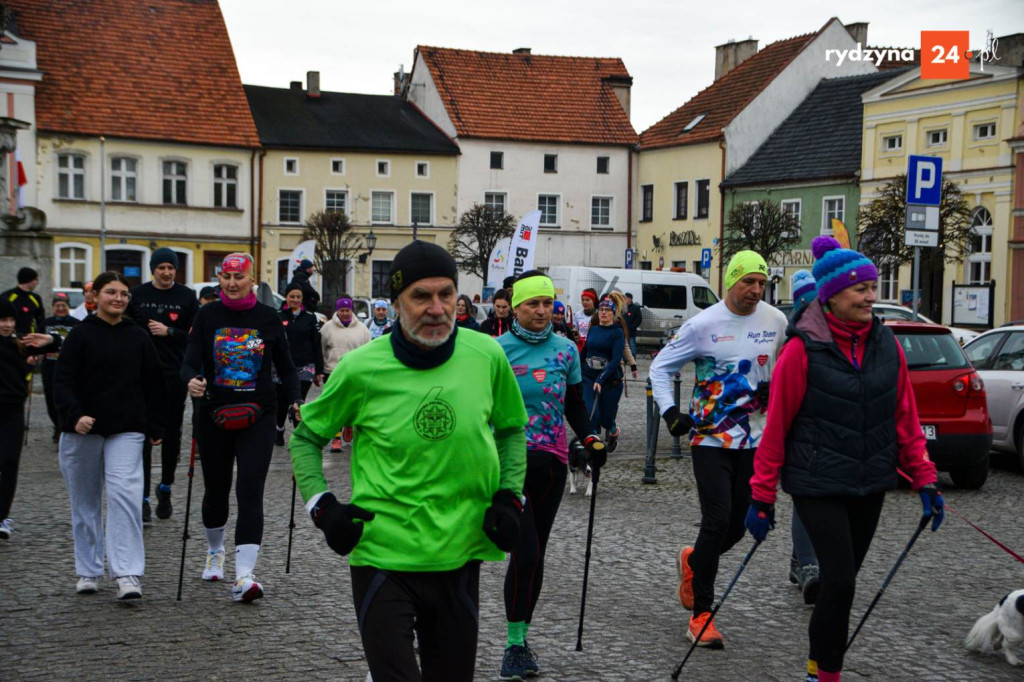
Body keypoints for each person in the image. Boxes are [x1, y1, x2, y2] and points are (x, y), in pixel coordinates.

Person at [289, 240, 528, 681]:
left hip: (460, 554)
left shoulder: (487, 356)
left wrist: (511, 497)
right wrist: (322, 507)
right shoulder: (361, 369)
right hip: (383, 557)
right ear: (396, 302)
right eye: (421, 296)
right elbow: (305, 439)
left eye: (446, 294)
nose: (436, 308)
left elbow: (513, 429)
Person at [747, 238, 943, 682]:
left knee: (842, 584)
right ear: (832, 295)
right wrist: (762, 498)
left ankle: (819, 663)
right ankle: (828, 675)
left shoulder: (886, 345)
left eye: (873, 287)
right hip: (817, 482)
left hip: (869, 481)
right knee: (839, 580)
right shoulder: (802, 350)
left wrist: (925, 479)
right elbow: (776, 427)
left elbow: (905, 418)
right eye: (861, 289)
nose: (871, 296)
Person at [649, 250, 787, 648]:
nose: (756, 290)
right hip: (710, 437)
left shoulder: (776, 321)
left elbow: (787, 368)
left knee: (740, 524)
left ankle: (694, 561)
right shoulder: (703, 324)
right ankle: (701, 616)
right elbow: (660, 367)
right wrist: (670, 411)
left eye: (762, 283)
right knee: (716, 520)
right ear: (731, 281)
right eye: (748, 282)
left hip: (755, 439)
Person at [495, 271, 604, 679]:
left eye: (547, 304)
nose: (542, 311)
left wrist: (591, 437)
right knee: (523, 552)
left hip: (553, 465)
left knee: (534, 554)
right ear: (515, 308)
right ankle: (513, 645)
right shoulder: (497, 351)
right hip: (509, 465)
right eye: (532, 304)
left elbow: (574, 405)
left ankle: (521, 638)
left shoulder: (566, 351)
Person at [182, 253, 301, 603]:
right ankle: (215, 550)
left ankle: (245, 574)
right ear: (220, 279)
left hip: (258, 414)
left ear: (253, 279)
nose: (232, 283)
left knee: (250, 489)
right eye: (227, 277)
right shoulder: (207, 316)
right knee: (216, 489)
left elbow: (288, 368)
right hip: (215, 415)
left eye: (240, 277)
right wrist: (192, 380)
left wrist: (294, 400)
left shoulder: (268, 319)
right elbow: (188, 362)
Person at [54, 271, 167, 599]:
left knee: (124, 497)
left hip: (127, 429)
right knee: (85, 503)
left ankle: (128, 573)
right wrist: (75, 415)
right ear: (96, 297)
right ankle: (89, 571)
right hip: (82, 431)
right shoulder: (80, 335)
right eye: (111, 292)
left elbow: (154, 383)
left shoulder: (138, 336)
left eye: (123, 294)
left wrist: (157, 426)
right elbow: (62, 381)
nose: (118, 298)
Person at [129, 248, 199, 521]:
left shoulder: (186, 297)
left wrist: (169, 331)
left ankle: (165, 488)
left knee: (171, 435)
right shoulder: (137, 295)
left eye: (171, 267)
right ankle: (143, 497)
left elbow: (194, 336)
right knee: (143, 437)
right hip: (141, 374)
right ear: (153, 269)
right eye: (162, 268)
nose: (167, 272)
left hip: (173, 374)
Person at [0, 299, 60, 540]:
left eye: (11, 320)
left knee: (10, 461)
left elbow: (61, 346)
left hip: (13, 409)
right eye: (3, 320)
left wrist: (51, 340)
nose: (7, 325)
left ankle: (3, 516)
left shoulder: (21, 343)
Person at [785, 269, 821, 603]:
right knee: (803, 501)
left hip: (826, 437)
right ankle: (809, 565)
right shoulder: (794, 343)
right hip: (800, 437)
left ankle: (800, 560)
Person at [320, 296, 371, 452]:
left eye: (347, 310)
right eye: (342, 310)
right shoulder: (327, 328)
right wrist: (319, 370)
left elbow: (367, 352)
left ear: (352, 310)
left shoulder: (362, 329)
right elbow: (321, 349)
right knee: (335, 406)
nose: (345, 313)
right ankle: (336, 438)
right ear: (337, 310)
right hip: (333, 371)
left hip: (355, 373)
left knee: (351, 404)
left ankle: (348, 424)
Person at [275, 283, 324, 446]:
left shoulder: (310, 318)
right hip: (282, 366)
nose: (295, 300)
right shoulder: (278, 316)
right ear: (286, 298)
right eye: (292, 296)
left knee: (298, 401)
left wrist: (319, 369)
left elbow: (317, 344)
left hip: (305, 366)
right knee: (281, 402)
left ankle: (298, 436)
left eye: (298, 297)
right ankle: (279, 429)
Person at [581, 298, 626, 452]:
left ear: (613, 314)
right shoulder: (593, 329)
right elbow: (585, 351)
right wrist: (576, 371)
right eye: (601, 310)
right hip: (589, 377)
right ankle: (593, 447)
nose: (604, 313)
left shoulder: (617, 333)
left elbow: (616, 360)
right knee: (591, 414)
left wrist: (601, 378)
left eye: (607, 310)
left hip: (610, 381)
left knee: (606, 419)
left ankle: (613, 431)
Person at [41, 294, 80, 442]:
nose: (61, 308)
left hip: (69, 367)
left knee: (66, 396)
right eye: (58, 305)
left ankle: (63, 426)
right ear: (53, 307)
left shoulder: (76, 324)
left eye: (64, 305)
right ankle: (57, 424)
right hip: (49, 366)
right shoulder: (46, 323)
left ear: (68, 306)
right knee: (50, 399)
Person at [2, 267, 45, 335]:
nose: (37, 283)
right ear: (29, 280)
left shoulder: (36, 298)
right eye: (36, 279)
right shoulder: (8, 296)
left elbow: (41, 320)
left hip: (31, 338)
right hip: (12, 338)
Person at [623, 292, 643, 358]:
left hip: (631, 332)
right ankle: (624, 360)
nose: (624, 299)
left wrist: (632, 327)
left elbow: (639, 319)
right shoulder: (622, 308)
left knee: (632, 346)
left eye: (625, 298)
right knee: (623, 347)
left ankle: (633, 360)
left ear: (630, 299)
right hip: (622, 332)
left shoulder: (635, 308)